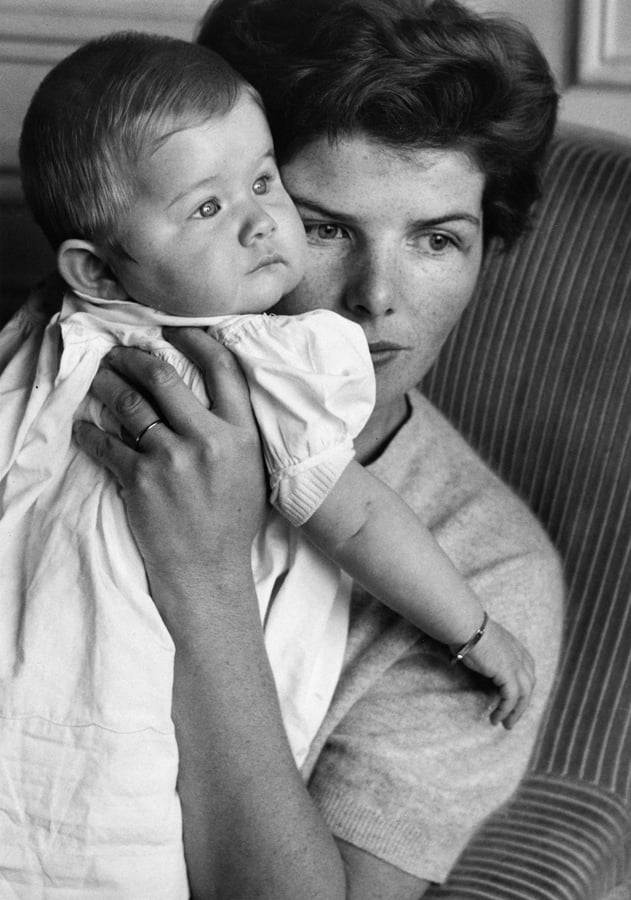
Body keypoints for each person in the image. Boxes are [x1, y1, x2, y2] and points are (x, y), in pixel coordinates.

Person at [0, 25, 535, 897]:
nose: (376, 297)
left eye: (437, 238)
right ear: (98, 269)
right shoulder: (67, 334)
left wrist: (206, 571)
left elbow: (352, 510)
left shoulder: (488, 564)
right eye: (323, 225)